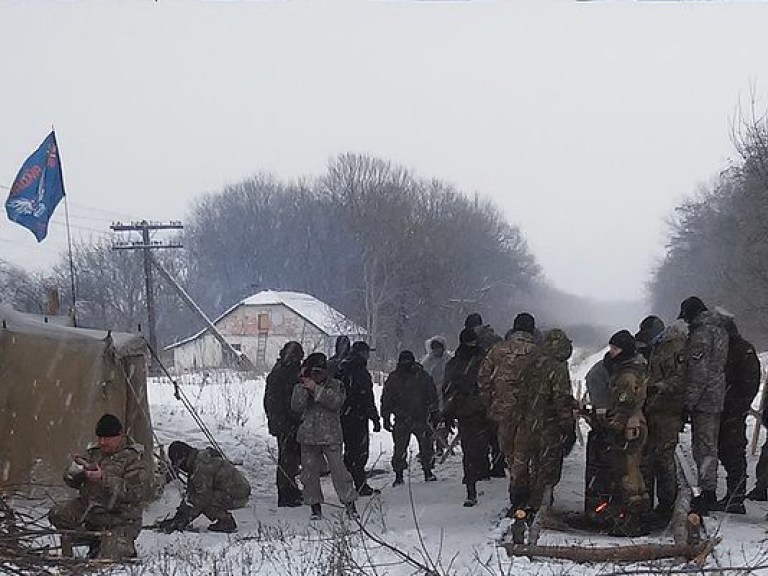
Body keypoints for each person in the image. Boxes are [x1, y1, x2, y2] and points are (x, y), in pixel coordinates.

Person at [49, 413, 149, 559]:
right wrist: (76, 471)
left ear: (119, 436)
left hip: (120, 518)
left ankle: (117, 544)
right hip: (91, 512)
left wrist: (104, 478)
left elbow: (135, 493)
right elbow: (71, 481)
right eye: (100, 438)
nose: (102, 442)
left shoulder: (134, 459)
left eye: (107, 438)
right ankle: (81, 547)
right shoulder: (94, 453)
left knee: (111, 556)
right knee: (59, 513)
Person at [477, 312, 537, 509]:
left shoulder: (498, 349)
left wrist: (490, 403)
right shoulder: (538, 352)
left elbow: (483, 378)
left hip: (503, 410)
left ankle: (517, 492)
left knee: (510, 452)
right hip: (529, 412)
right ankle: (524, 493)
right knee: (525, 453)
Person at [291, 352, 358, 520]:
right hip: (308, 436)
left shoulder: (336, 385)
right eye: (313, 372)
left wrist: (317, 389)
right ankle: (315, 507)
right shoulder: (301, 387)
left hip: (330, 436)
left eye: (319, 372)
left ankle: (350, 503)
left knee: (339, 472)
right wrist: (305, 387)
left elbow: (336, 403)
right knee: (309, 474)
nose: (317, 376)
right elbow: (296, 407)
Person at [678, 296, 729, 515]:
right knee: (709, 446)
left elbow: (699, 373)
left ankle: (707, 494)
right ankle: (708, 490)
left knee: (704, 447)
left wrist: (688, 402)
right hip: (716, 395)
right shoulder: (721, 330)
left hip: (704, 399)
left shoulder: (701, 335)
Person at [636, 315, 687, 524]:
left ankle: (667, 505)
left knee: (664, 458)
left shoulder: (675, 348)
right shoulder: (654, 348)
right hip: (651, 409)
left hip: (668, 411)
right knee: (646, 457)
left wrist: (659, 387)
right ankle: (645, 503)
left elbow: (681, 379)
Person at [521, 329, 577, 512]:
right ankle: (541, 508)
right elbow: (561, 400)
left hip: (530, 423)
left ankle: (530, 502)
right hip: (549, 425)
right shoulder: (557, 367)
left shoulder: (531, 363)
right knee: (549, 469)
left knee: (535, 465)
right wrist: (568, 427)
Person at [602, 330, 650, 536]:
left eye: (615, 348)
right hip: (633, 425)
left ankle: (632, 521)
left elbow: (626, 404)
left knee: (628, 473)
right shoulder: (631, 369)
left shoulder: (628, 375)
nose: (611, 352)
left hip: (630, 428)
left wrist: (613, 427)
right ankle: (633, 517)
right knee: (633, 472)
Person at [711, 316, 760, 513]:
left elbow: (750, 383)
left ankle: (736, 497)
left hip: (733, 410)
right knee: (727, 451)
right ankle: (734, 495)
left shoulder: (741, 351)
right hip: (726, 408)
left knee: (733, 452)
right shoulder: (733, 349)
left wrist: (737, 405)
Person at [443, 328, 491, 506]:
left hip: (468, 411)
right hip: (481, 410)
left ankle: (472, 485)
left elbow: (447, 390)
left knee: (471, 450)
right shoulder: (485, 360)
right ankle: (474, 483)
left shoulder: (455, 362)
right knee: (477, 448)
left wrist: (448, 412)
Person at [161, 441, 251, 533]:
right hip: (233, 489)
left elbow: (201, 499)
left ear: (184, 457)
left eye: (179, 464)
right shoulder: (197, 460)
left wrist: (184, 520)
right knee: (199, 498)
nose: (180, 468)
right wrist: (177, 517)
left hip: (237, 494)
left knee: (205, 501)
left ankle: (226, 522)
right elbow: (190, 494)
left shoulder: (200, 469)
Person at [381, 350, 439, 486]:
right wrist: (385, 416)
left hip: (418, 417)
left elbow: (431, 395)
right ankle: (401, 474)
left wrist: (434, 411)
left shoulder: (418, 376)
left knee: (424, 447)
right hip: (405, 418)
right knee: (402, 448)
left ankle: (426, 471)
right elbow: (387, 399)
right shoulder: (398, 377)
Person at [338, 341, 382, 496]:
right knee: (359, 452)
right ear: (363, 353)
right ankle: (360, 484)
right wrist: (375, 418)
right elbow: (366, 397)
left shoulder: (341, 368)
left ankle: (347, 481)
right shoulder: (359, 371)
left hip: (343, 415)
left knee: (349, 451)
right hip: (357, 416)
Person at [264, 340, 304, 507]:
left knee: (290, 459)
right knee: (287, 460)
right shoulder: (284, 373)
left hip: (285, 421)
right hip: (285, 422)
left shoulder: (282, 371)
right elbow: (275, 401)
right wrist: (283, 420)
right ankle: (286, 494)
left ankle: (290, 489)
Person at [464, 313, 505, 478]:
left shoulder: (481, 342)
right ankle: (497, 465)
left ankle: (486, 468)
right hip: (495, 391)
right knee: (495, 432)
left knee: (484, 433)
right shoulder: (495, 340)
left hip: (483, 391)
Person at [421, 335, 450, 455]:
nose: (437, 350)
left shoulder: (448, 360)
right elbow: (423, 376)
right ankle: (429, 446)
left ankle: (441, 444)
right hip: (431, 394)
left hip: (446, 392)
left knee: (444, 420)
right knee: (431, 421)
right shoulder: (427, 361)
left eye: (439, 347)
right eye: (435, 348)